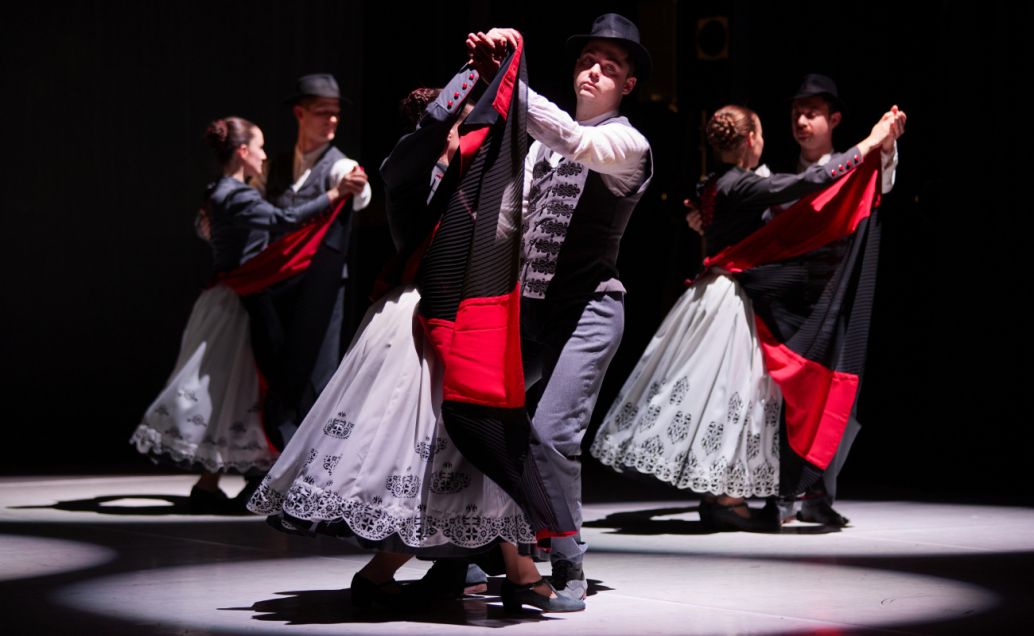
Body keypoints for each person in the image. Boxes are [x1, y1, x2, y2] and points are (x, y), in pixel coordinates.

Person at [249, 66, 585, 613]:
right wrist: (472, 78)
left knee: (469, 448)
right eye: (462, 125)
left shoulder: (468, 177)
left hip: (457, 319)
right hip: (421, 321)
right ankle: (488, 573)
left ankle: (492, 571)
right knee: (441, 450)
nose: (471, 135)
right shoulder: (410, 171)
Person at [591, 103, 905, 531]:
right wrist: (868, 144)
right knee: (731, 397)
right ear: (752, 139)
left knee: (718, 397)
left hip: (713, 293)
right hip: (732, 299)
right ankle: (725, 499)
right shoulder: (741, 183)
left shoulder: (715, 183)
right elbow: (811, 181)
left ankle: (721, 495)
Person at [465, 13, 653, 604]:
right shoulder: (539, 153)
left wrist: (509, 82)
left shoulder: (628, 144)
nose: (593, 71)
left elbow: (578, 142)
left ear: (627, 85)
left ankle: (569, 561)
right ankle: (470, 546)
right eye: (587, 60)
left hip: (590, 309)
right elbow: (510, 224)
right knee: (475, 416)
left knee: (550, 435)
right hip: (532, 311)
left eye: (609, 66)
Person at [686, 75, 904, 527]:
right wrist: (704, 217)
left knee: (835, 396)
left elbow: (877, 183)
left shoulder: (848, 168)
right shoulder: (774, 177)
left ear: (834, 119)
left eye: (812, 113)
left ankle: (818, 492)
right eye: (796, 114)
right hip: (783, 305)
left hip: (830, 298)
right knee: (782, 399)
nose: (802, 122)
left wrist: (884, 147)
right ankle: (782, 491)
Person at [131, 116, 353, 512]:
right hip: (237, 302)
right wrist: (335, 194)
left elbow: (207, 228)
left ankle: (213, 483)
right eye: (260, 147)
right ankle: (251, 478)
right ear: (243, 151)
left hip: (228, 298)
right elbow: (284, 221)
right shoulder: (234, 195)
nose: (265, 155)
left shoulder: (220, 191)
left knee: (230, 391)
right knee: (243, 389)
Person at [249, 73, 371, 449]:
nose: (332, 120)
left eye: (336, 113)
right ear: (300, 114)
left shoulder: (338, 166)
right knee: (277, 373)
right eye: (322, 112)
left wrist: (356, 187)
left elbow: (358, 189)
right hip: (278, 287)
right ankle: (275, 460)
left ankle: (312, 465)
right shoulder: (276, 166)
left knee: (316, 373)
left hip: (319, 288)